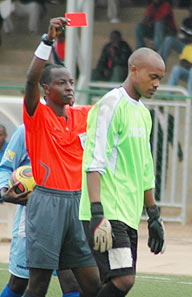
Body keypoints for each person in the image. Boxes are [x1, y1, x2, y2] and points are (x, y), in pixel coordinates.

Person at [22, 17, 102, 297]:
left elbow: (113, 106)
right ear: (46, 89)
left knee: (93, 285)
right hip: (47, 204)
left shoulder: (82, 115)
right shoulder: (37, 116)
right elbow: (31, 78)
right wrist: (48, 41)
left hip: (77, 206)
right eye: (61, 82)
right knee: (39, 284)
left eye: (70, 82)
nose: (69, 87)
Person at [79, 47, 166, 297]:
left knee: (113, 281)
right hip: (106, 212)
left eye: (160, 78)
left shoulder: (143, 113)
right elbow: (94, 161)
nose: (157, 84)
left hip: (128, 214)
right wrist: (97, 213)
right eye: (153, 77)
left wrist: (153, 215)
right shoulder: (110, 104)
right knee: (123, 279)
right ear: (133, 70)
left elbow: (146, 169)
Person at [0, 124, 81, 297]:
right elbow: (4, 168)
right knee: (20, 282)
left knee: (72, 282)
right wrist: (5, 192)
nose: (70, 95)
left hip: (66, 214)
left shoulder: (74, 127)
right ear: (47, 94)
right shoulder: (26, 131)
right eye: (64, 93)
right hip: (31, 216)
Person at [150, 107, 183, 201]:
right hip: (149, 152)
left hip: (163, 154)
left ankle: (157, 203)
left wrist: (179, 152)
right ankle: (145, 206)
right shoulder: (150, 114)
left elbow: (173, 136)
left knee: (160, 179)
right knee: (147, 179)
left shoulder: (170, 118)